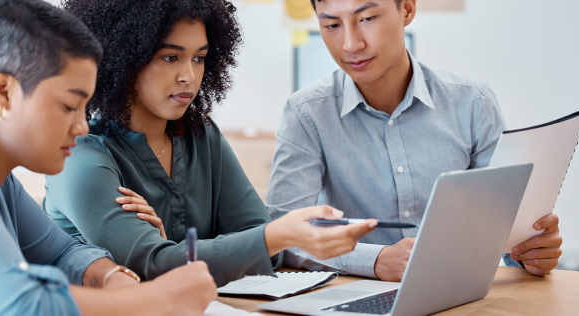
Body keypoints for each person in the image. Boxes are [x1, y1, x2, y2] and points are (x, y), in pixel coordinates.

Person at [0, 1, 217, 315]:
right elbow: (20, 307)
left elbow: (62, 254)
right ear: (4, 93)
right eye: (68, 106)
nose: (81, 126)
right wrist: (158, 300)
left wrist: (115, 280)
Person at [44, 0, 378, 287]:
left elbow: (264, 251)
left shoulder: (201, 135)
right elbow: (151, 264)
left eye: (199, 58)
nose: (189, 75)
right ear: (124, 57)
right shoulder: (80, 154)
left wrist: (176, 253)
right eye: (170, 58)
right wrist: (270, 238)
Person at [266, 0, 563, 281]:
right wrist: (376, 260)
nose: (350, 44)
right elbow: (284, 237)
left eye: (367, 18)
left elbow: (505, 222)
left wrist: (529, 253)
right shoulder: (307, 113)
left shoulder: (473, 103)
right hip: (357, 295)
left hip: (460, 291)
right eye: (332, 25)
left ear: (407, 9)